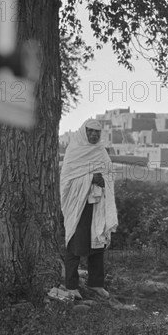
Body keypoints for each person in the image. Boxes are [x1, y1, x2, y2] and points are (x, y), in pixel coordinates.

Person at [60, 119, 118, 300]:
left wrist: (104, 180)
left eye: (97, 132)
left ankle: (96, 283)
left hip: (97, 205)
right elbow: (67, 181)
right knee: (75, 243)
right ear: (84, 131)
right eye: (90, 131)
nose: (94, 135)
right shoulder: (74, 150)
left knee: (98, 243)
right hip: (78, 205)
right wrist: (90, 178)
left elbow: (110, 173)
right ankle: (71, 286)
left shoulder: (101, 151)